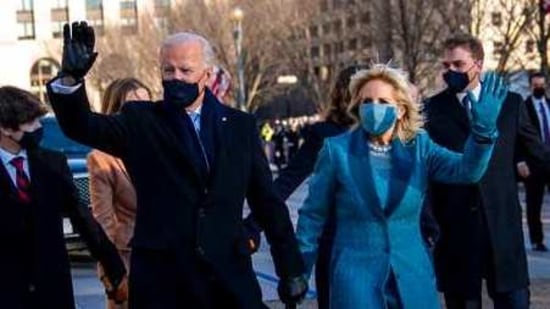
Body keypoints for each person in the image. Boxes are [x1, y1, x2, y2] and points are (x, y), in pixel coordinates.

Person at [47, 21, 307, 308]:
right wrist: (70, 81)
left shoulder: (239, 127)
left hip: (228, 279)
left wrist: (291, 269)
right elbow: (83, 126)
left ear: (206, 75)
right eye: (168, 70)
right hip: (163, 282)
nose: (176, 78)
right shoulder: (141, 120)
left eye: (185, 70)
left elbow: (268, 204)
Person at [297, 64, 505, 308]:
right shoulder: (336, 151)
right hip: (356, 281)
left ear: (400, 110)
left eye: (384, 101)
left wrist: (483, 134)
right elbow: (313, 216)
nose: (374, 108)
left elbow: (467, 171)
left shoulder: (419, 147)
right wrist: (299, 270)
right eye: (367, 101)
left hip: (411, 278)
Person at [424, 34, 550, 308]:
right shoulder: (431, 110)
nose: (450, 72)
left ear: (478, 64)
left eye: (458, 64)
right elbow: (427, 173)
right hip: (455, 232)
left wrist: (523, 169)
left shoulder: (510, 104)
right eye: (446, 65)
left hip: (503, 229)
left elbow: (537, 154)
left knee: (514, 302)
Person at [0, 86, 127, 308]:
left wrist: (114, 269)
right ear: (5, 128)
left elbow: (83, 218)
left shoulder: (52, 164)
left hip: (52, 289)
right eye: (30, 122)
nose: (39, 128)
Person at [87, 78, 152, 309]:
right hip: (130, 261)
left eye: (147, 104)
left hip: (172, 259)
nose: (143, 112)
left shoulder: (162, 148)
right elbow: (102, 222)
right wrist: (111, 278)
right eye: (133, 105)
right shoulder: (101, 158)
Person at [516, 72, 550, 252]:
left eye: (542, 85)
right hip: (533, 163)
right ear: (530, 86)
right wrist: (520, 161)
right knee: (534, 204)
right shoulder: (524, 108)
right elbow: (518, 137)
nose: (539, 88)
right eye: (536, 85)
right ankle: (537, 240)